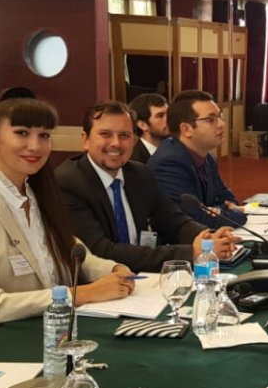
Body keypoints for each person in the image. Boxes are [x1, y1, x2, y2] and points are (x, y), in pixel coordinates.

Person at [0, 97, 135, 342]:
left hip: (53, 333)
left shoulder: (38, 195)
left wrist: (113, 269)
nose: (35, 146)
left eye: (44, 135)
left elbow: (76, 254)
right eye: (22, 133)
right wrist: (80, 294)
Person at [55, 101, 239, 273]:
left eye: (124, 136)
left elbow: (173, 221)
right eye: (105, 134)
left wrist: (208, 238)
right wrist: (191, 252)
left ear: (134, 140)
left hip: (145, 279)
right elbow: (101, 251)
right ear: (85, 139)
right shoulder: (69, 183)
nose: (116, 143)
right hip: (102, 283)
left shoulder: (139, 173)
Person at [149, 90, 247, 229]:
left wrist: (219, 210)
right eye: (210, 119)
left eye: (219, 116)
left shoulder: (208, 157)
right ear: (186, 129)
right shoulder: (168, 163)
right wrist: (238, 215)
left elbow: (229, 199)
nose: (222, 124)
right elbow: (195, 220)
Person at [127, 93, 169, 164]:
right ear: (143, 125)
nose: (169, 119)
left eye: (169, 113)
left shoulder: (177, 149)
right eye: (160, 116)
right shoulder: (133, 159)